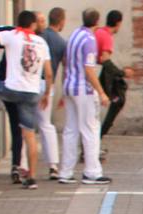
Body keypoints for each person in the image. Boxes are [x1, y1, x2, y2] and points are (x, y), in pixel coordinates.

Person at [0, 10, 53, 189]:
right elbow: (49, 73)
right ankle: (32, 178)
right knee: (29, 135)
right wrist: (46, 94)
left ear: (18, 23)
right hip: (32, 93)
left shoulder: (13, 35)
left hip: (11, 89)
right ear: (34, 25)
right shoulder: (41, 42)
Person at [59, 8, 111, 185]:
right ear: (97, 21)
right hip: (84, 90)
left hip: (69, 87)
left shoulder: (74, 35)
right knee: (90, 129)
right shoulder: (89, 40)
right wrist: (102, 92)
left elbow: (66, 61)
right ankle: (92, 172)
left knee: (70, 130)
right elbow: (89, 69)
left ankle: (65, 172)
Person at [27, 9, 67, 180]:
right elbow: (66, 67)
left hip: (29, 84)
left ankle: (23, 165)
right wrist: (62, 90)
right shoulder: (61, 42)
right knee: (46, 124)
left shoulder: (34, 39)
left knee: (25, 125)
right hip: (46, 85)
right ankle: (53, 165)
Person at [96, 10, 128, 137]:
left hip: (94, 74)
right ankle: (96, 143)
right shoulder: (106, 36)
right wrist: (122, 73)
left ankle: (93, 146)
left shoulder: (98, 32)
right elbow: (105, 60)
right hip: (97, 75)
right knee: (116, 101)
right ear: (118, 23)